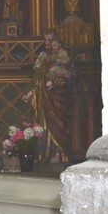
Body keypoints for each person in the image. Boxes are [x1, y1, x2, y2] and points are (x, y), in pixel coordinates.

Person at [31, 28, 77, 163]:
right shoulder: (44, 57)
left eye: (51, 40)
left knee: (60, 125)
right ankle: (46, 154)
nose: (48, 43)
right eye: (45, 40)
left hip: (59, 97)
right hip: (45, 98)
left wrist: (56, 82)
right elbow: (37, 77)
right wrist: (32, 91)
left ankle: (60, 154)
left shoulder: (64, 55)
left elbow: (71, 76)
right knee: (44, 123)